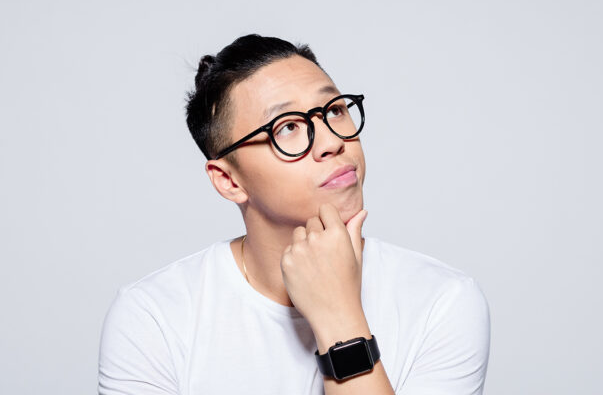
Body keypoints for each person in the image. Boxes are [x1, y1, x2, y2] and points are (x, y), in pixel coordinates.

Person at [97, 34, 491, 394]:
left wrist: (339, 317)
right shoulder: (153, 318)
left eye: (335, 110)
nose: (333, 141)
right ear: (228, 180)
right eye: (287, 127)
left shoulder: (442, 301)